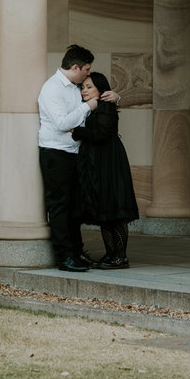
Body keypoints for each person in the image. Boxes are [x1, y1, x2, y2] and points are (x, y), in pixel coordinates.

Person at [38, 44, 119, 272]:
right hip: (56, 155)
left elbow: (99, 97)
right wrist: (88, 107)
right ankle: (65, 257)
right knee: (60, 208)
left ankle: (76, 252)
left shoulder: (76, 87)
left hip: (76, 154)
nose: (88, 73)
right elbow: (63, 123)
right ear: (75, 67)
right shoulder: (51, 89)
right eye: (86, 69)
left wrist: (116, 96)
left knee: (75, 208)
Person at [71, 72, 138, 269]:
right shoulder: (92, 108)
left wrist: (77, 132)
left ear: (101, 90)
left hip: (109, 163)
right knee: (106, 210)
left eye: (89, 87)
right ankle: (111, 255)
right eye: (83, 87)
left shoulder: (106, 107)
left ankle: (119, 257)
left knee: (114, 209)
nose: (84, 90)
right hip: (99, 162)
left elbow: (100, 134)